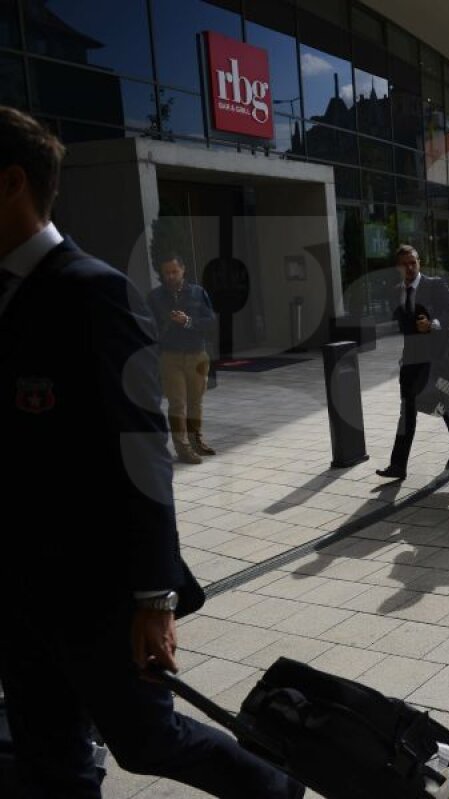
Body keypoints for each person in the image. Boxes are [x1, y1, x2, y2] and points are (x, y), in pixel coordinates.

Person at [0, 107, 302, 797]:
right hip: (16, 589)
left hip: (94, 590)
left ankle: (276, 789)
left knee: (145, 739)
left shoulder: (92, 292)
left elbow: (144, 449)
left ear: (11, 181)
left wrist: (155, 594)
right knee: (49, 757)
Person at [376, 244, 449, 482]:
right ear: (398, 267)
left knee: (445, 404)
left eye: (412, 262)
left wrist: (434, 323)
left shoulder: (435, 285)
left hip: (437, 360)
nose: (409, 267)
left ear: (419, 263)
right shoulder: (396, 292)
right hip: (411, 362)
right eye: (404, 264)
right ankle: (398, 465)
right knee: (406, 411)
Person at [146, 254, 216, 465]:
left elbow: (210, 321)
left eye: (174, 271)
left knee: (196, 402)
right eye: (166, 272)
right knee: (178, 404)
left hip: (197, 354)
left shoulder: (197, 292)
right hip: (170, 357)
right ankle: (183, 448)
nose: (170, 276)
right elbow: (149, 326)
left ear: (183, 270)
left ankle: (196, 441)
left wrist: (188, 321)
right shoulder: (155, 297)